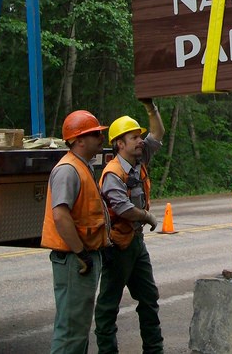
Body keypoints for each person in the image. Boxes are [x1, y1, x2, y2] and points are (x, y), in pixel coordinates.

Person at [94, 99, 165, 354]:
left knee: (149, 298)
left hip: (136, 244)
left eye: (139, 136)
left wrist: (151, 108)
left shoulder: (139, 158)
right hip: (117, 247)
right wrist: (147, 217)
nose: (140, 141)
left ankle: (154, 350)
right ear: (119, 144)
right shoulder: (113, 173)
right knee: (107, 308)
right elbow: (123, 208)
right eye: (134, 137)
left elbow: (157, 133)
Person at [42, 109, 111, 354]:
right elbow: (61, 216)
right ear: (79, 140)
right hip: (74, 260)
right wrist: (81, 253)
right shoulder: (67, 170)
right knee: (71, 332)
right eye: (94, 134)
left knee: (78, 330)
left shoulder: (82, 167)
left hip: (81, 257)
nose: (101, 138)